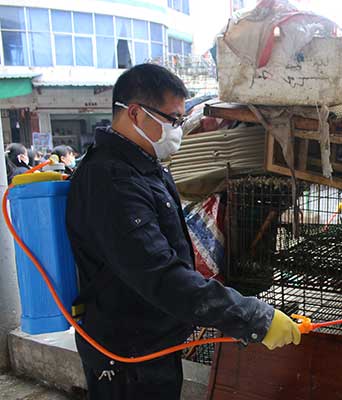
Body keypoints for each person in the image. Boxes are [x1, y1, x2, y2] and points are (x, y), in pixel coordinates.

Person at [65, 63, 300, 400]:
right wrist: (252, 316)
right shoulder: (112, 181)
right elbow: (160, 275)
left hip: (152, 341)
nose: (178, 129)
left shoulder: (145, 170)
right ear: (135, 113)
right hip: (126, 353)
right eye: (173, 119)